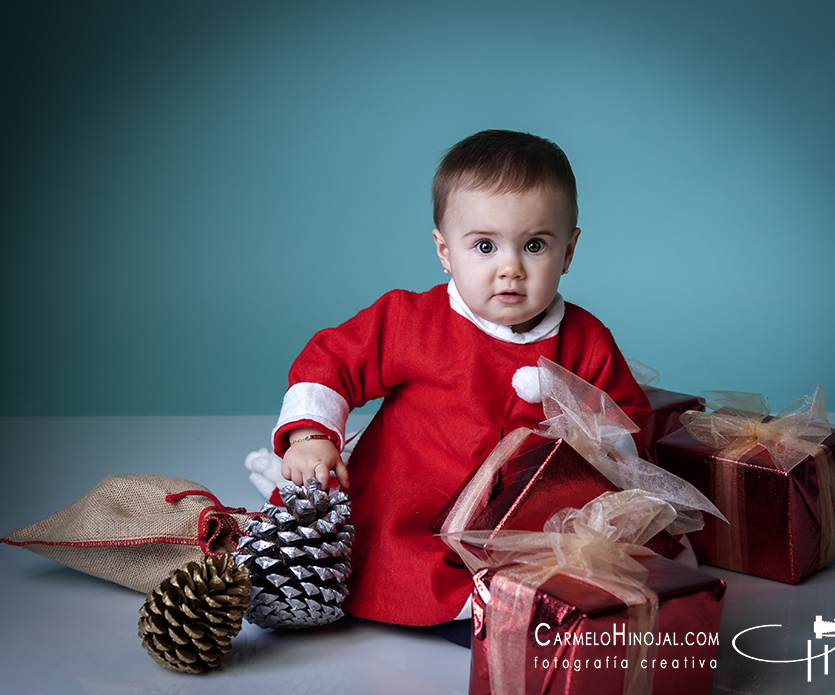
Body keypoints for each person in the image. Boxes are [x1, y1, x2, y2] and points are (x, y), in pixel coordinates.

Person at [257, 129, 651, 631]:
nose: (510, 269)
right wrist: (310, 437)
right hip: (410, 501)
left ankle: (510, 613)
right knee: (394, 561)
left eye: (534, 245)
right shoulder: (413, 319)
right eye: (484, 246)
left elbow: (626, 422)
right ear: (445, 251)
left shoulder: (586, 340)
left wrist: (593, 449)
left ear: (569, 252)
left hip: (521, 524)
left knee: (559, 586)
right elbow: (332, 362)